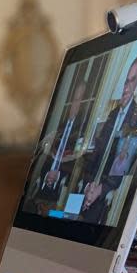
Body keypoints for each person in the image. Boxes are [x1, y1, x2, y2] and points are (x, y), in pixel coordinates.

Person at [79, 54, 137, 221]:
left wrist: (101, 189)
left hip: (105, 190)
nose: (126, 87)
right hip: (91, 183)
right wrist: (88, 184)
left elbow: (123, 163)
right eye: (125, 81)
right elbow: (98, 150)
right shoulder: (113, 113)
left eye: (132, 80)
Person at [33, 79, 89, 208]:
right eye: (74, 99)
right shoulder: (58, 126)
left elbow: (79, 165)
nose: (76, 104)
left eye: (80, 100)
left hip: (59, 197)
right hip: (39, 189)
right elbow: (42, 155)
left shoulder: (82, 130)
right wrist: (47, 173)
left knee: (54, 214)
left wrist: (57, 174)